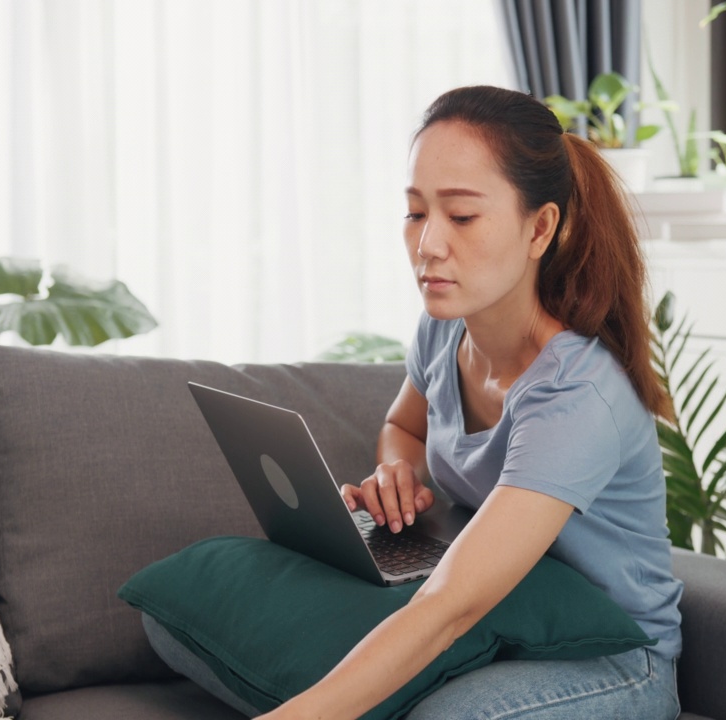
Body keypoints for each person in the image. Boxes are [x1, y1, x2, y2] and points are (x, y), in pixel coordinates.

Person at [260, 85, 683, 719]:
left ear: (540, 228)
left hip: (612, 660)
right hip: (504, 624)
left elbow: (453, 603)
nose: (428, 244)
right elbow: (402, 424)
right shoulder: (444, 329)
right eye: (414, 212)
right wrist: (394, 469)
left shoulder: (574, 396)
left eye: (460, 216)